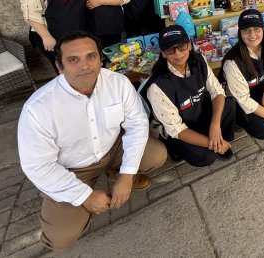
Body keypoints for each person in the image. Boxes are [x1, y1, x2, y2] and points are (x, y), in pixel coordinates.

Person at [17, 32, 167, 251]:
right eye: (73, 59)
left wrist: (127, 176)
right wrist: (85, 197)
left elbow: (137, 124)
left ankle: (116, 174)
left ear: (100, 59)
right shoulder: (38, 108)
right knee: (60, 240)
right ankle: (72, 204)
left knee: (156, 155)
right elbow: (38, 166)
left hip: (112, 149)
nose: (84, 65)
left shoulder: (118, 83)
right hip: (72, 169)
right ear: (59, 66)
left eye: (91, 56)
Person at [146, 25, 236, 167]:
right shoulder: (157, 87)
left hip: (198, 115)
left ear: (189, 45)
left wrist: (215, 125)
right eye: (170, 49)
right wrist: (213, 143)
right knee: (207, 156)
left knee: (229, 103)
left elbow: (217, 91)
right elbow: (178, 129)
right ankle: (176, 149)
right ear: (163, 53)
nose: (177, 53)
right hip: (180, 130)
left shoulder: (199, 61)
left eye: (181, 46)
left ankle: (218, 137)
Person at [220, 10, 264, 139]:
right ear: (240, 33)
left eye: (256, 29)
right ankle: (239, 122)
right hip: (237, 102)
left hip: (255, 90)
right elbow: (243, 99)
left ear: (263, 29)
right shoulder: (233, 62)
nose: (252, 35)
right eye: (246, 30)